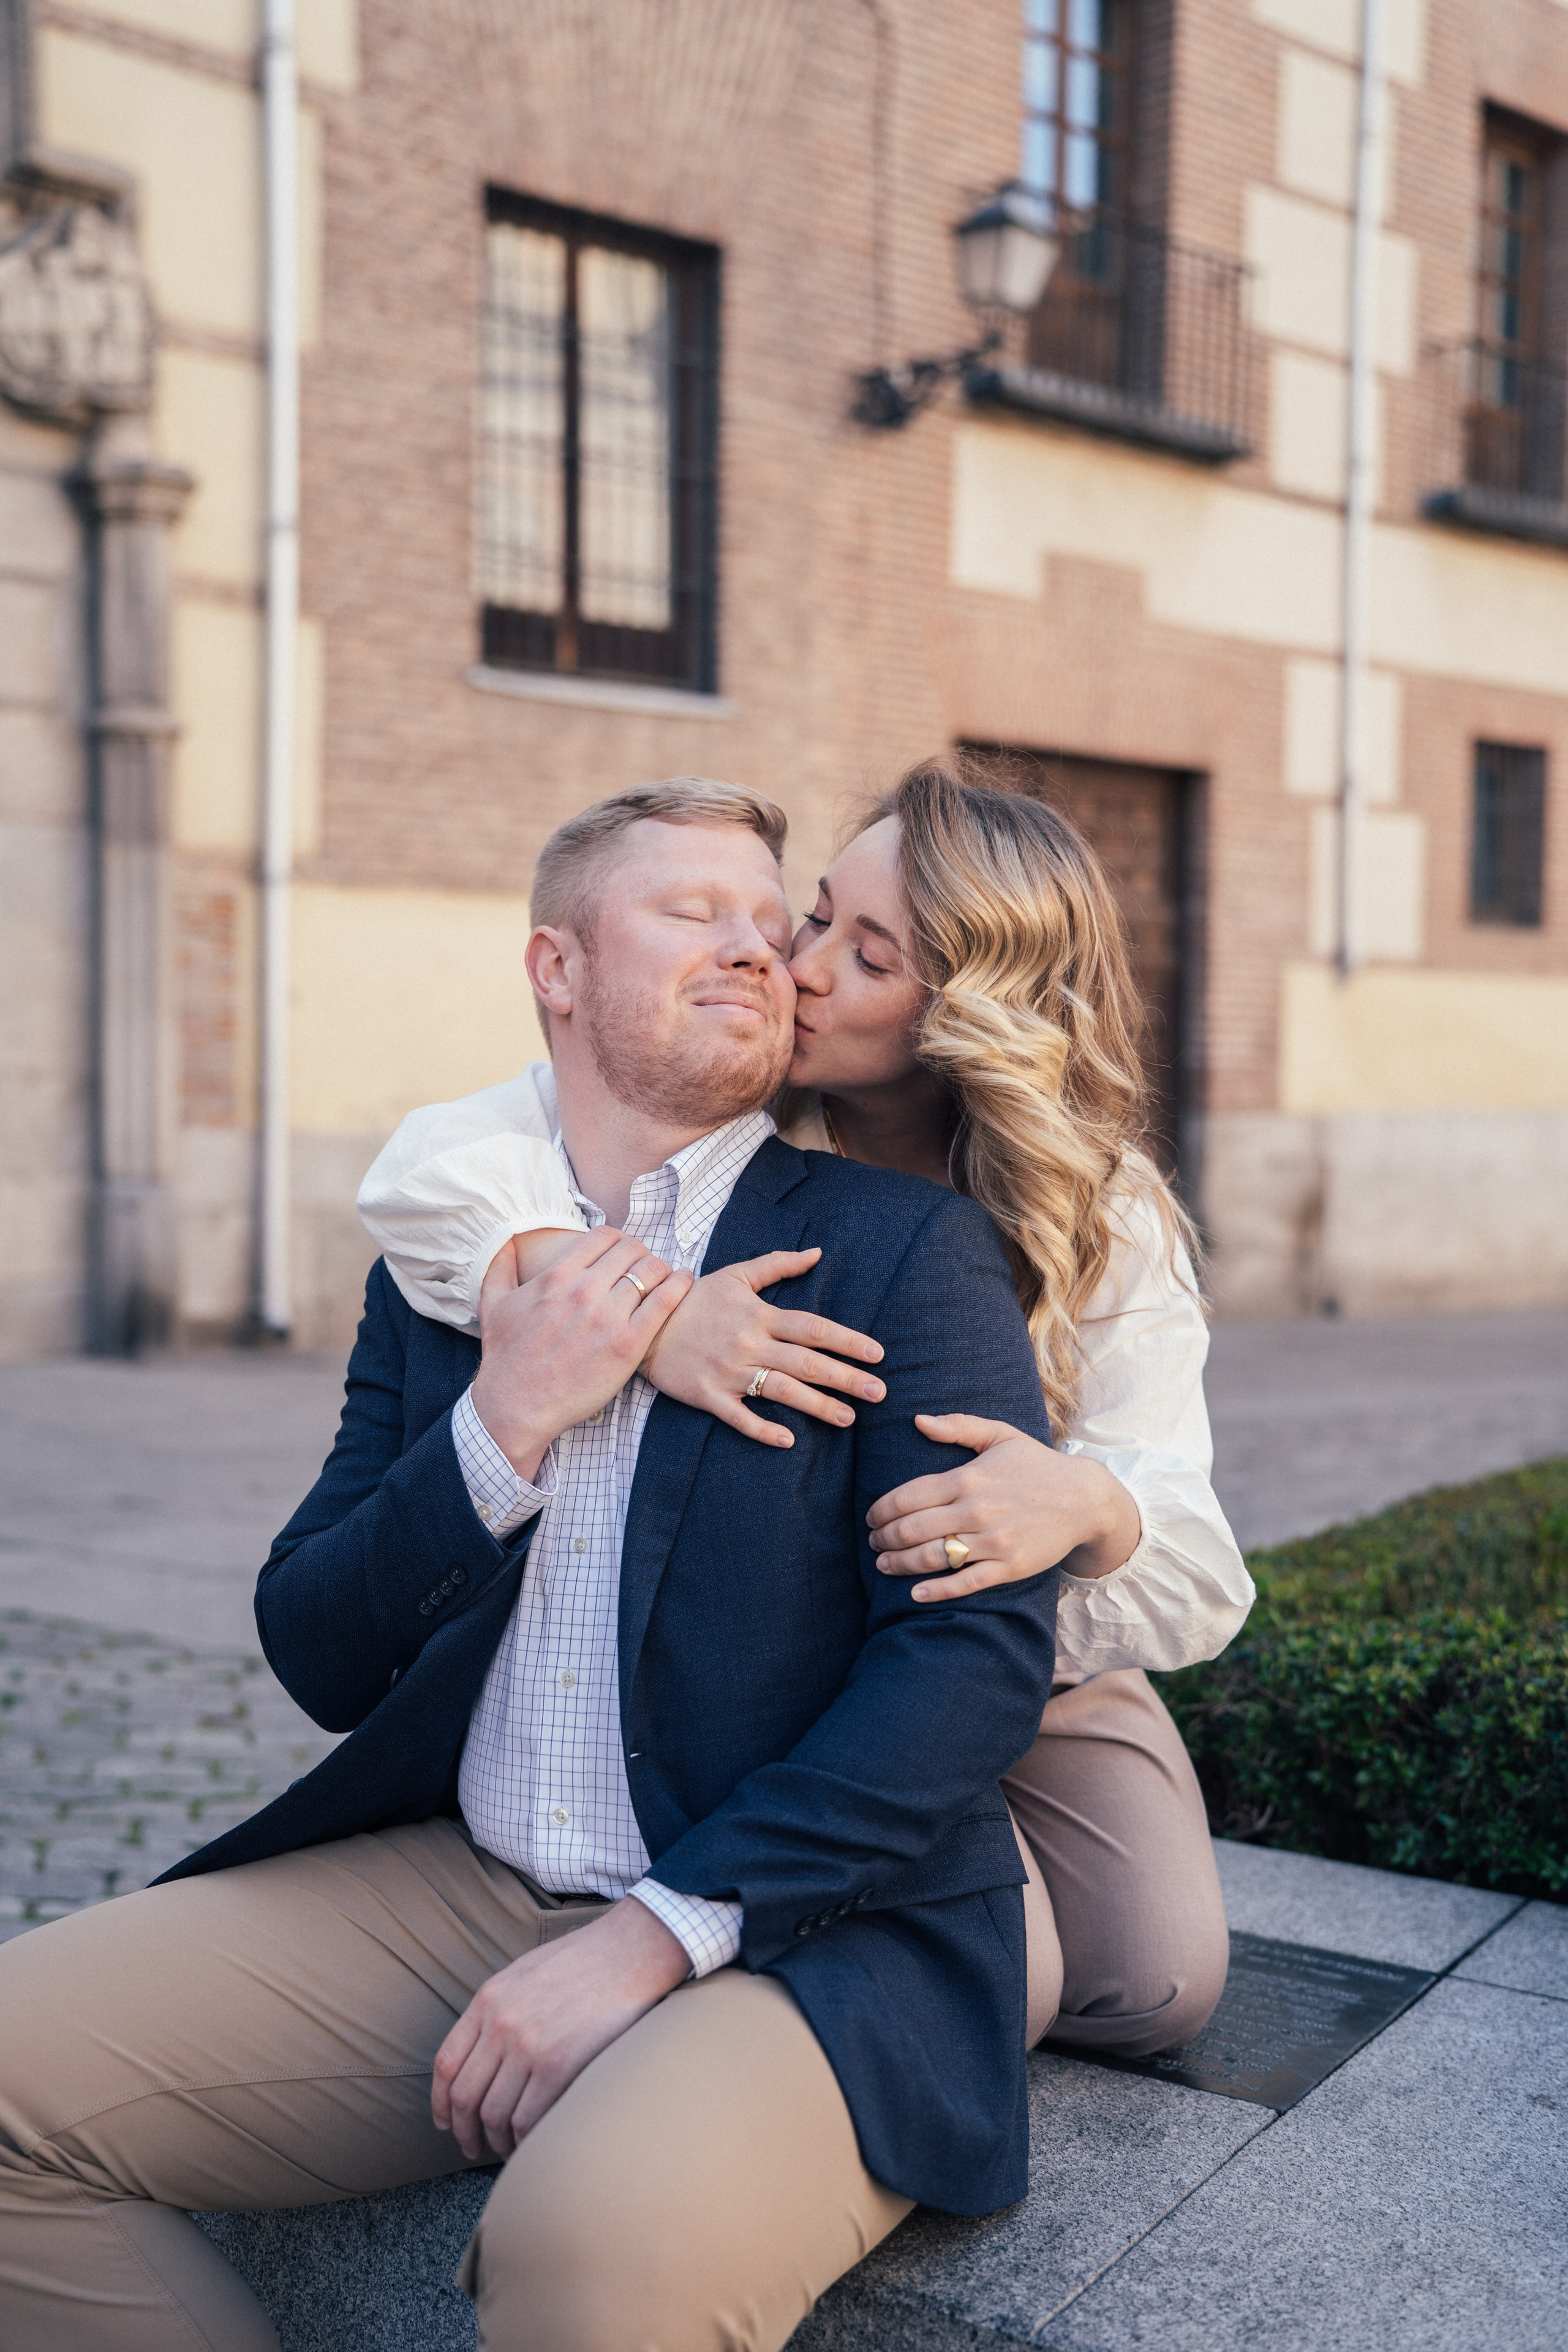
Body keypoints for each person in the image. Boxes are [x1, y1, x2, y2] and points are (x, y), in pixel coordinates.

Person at [0, 776, 1065, 2352]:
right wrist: (503, 1424)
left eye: (776, 928)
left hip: (804, 1928)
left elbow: (969, 1671)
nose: (758, 950)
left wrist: (657, 1931)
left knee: (589, 2259)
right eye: (690, 911)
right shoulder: (445, 1269)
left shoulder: (908, 1250)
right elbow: (315, 1646)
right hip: (463, 1883)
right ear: (555, 969)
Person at [360, 752, 1255, 2062]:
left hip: (1029, 1642)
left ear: (967, 1010)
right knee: (1002, 1984)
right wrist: (649, 1314)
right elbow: (430, 1171)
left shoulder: (1095, 1210)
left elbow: (1194, 1554)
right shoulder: (739, 1100)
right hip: (799, 1657)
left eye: (868, 954)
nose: (801, 964)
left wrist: (1085, 1501)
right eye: (817, 915)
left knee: (1154, 1983)